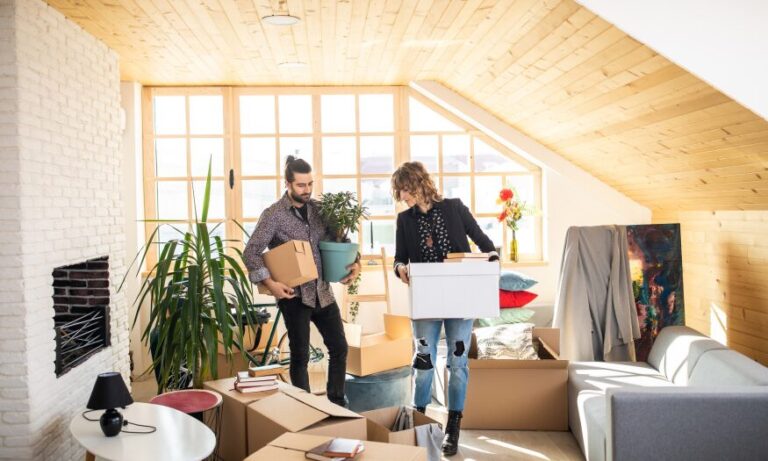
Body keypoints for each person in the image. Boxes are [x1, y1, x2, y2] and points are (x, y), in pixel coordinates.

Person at [391, 161, 499, 456]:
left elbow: (486, 245)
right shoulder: (405, 220)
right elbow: (399, 259)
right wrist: (400, 268)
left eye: (404, 189)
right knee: (423, 361)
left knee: (457, 363)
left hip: (461, 300)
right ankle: (420, 423)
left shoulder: (454, 208)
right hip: (426, 301)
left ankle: (453, 427)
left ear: (419, 183)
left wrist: (487, 264)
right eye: (399, 191)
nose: (402, 196)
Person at [243, 156, 361, 407]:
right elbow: (250, 252)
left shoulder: (320, 210)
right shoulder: (273, 215)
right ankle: (306, 409)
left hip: (322, 292)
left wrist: (356, 262)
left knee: (339, 348)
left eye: (310, 184)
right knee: (300, 355)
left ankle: (337, 404)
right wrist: (272, 285)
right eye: (301, 185)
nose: (307, 190)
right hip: (293, 296)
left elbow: (341, 240)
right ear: (287, 183)